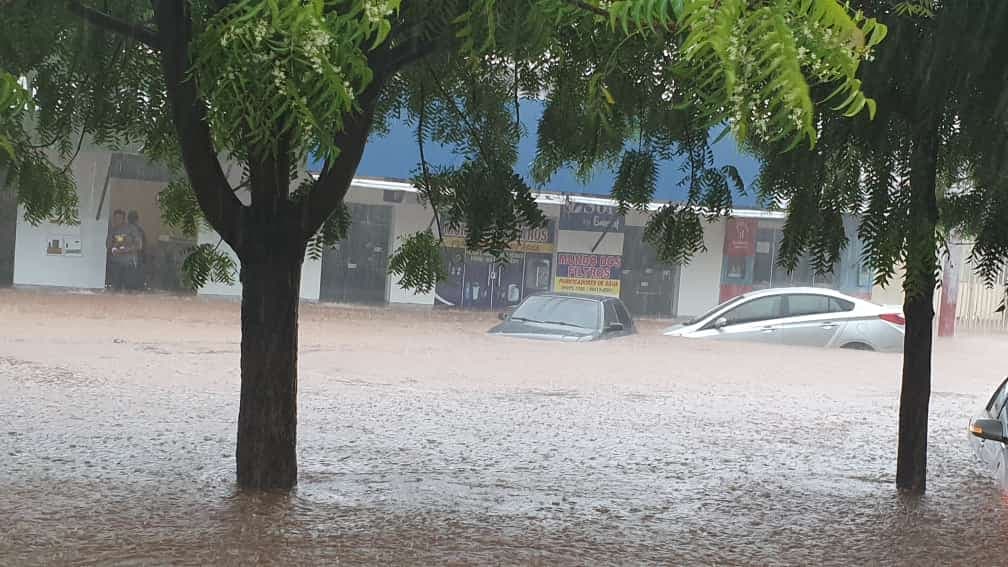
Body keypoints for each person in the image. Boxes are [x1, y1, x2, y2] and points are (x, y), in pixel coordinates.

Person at [107, 209, 139, 292]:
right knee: (115, 288)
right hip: (115, 263)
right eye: (115, 218)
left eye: (119, 218)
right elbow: (108, 245)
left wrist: (124, 250)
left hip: (128, 263)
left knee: (129, 288)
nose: (117, 220)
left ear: (123, 219)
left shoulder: (131, 229)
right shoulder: (113, 230)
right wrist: (114, 247)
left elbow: (139, 245)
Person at [126, 210, 147, 291]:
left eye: (133, 218)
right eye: (131, 218)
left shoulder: (138, 230)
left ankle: (134, 288)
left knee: (135, 273)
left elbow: (142, 245)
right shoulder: (137, 230)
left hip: (136, 255)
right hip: (132, 255)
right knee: (133, 273)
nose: (132, 220)